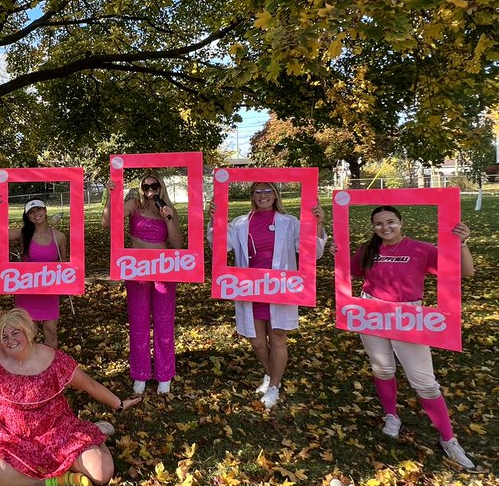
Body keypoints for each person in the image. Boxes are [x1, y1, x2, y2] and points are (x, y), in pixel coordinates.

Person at [0, 309, 139, 486]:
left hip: (57, 432)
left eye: (16, 333)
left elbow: (90, 385)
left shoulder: (54, 360)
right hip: (11, 438)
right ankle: (60, 479)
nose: (10, 340)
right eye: (4, 336)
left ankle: (94, 432)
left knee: (102, 472)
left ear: (28, 332)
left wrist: (119, 404)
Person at [350, 205, 477, 470]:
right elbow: (350, 270)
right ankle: (391, 416)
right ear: (373, 227)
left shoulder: (421, 249)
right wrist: (336, 253)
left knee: (424, 382)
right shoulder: (368, 249)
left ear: (401, 222)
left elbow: (465, 272)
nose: (385, 227)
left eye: (390, 222)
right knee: (383, 369)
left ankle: (449, 439)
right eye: (379, 224)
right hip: (372, 315)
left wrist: (462, 243)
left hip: (408, 319)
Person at [207, 181, 327, 410]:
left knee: (278, 336)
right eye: (258, 191)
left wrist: (317, 224)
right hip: (249, 287)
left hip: (279, 288)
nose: (263, 195)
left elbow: (313, 252)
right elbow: (221, 246)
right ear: (252, 195)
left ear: (275, 194)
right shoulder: (241, 223)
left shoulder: (289, 222)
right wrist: (215, 219)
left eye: (268, 191)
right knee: (257, 341)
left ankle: (274, 385)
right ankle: (271, 374)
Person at [102, 170, 183, 395]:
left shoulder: (169, 210)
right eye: (146, 187)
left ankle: (164, 374)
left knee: (164, 323)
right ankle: (140, 373)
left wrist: (167, 218)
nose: (149, 191)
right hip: (137, 271)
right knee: (138, 323)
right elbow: (107, 224)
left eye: (154, 187)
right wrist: (110, 197)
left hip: (164, 271)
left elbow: (177, 244)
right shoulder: (133, 205)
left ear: (161, 187)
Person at [2, 198, 67, 347]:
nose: (35, 214)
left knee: (51, 331)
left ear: (45, 210)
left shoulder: (59, 236)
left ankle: (50, 367)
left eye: (38, 209)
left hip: (49, 290)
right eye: (31, 212)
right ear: (28, 217)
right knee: (28, 333)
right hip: (27, 289)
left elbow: (64, 264)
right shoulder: (24, 234)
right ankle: (30, 368)